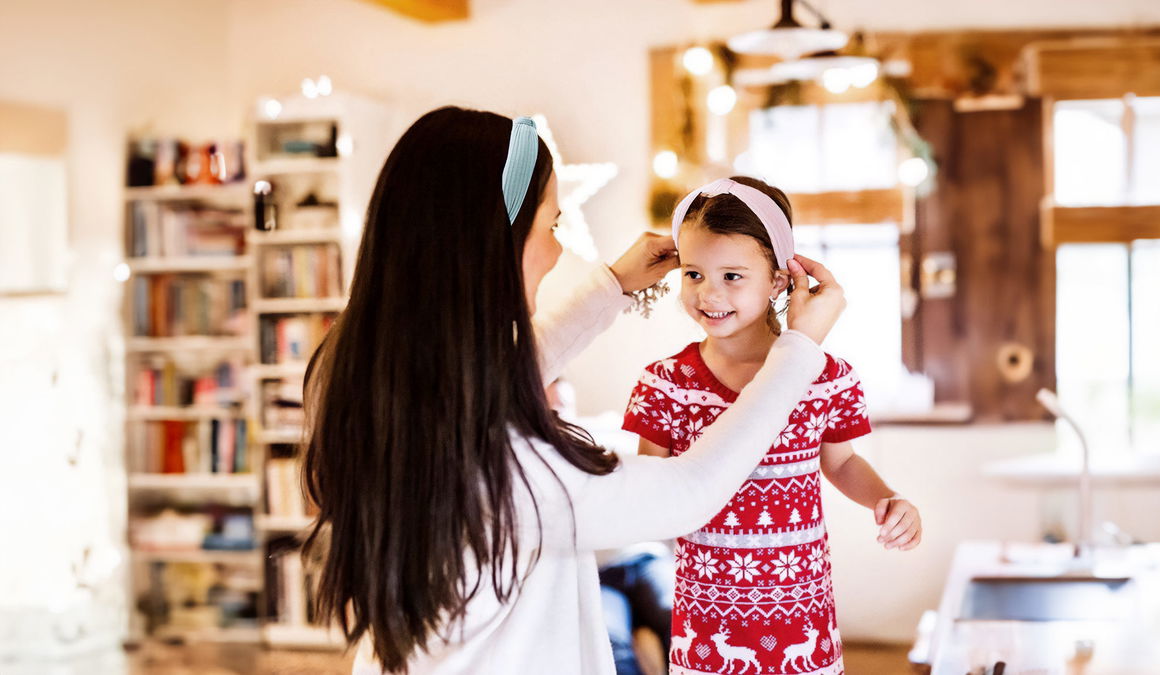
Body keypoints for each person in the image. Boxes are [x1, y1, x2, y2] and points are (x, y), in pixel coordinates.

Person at [300, 108, 847, 674]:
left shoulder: (357, 378)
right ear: (497, 239)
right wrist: (799, 351)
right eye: (552, 226)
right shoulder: (499, 464)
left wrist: (611, 287)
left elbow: (485, 379)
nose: (558, 251)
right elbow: (689, 492)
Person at [622, 176, 923, 674]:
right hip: (707, 623)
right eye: (693, 274)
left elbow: (842, 462)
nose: (708, 293)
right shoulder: (665, 384)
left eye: (732, 276)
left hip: (800, 613)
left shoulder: (826, 377)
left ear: (780, 280)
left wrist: (887, 499)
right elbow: (647, 490)